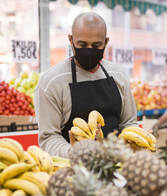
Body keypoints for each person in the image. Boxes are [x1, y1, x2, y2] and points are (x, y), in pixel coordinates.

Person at [35, 12, 137, 157]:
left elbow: (129, 123)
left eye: (96, 45)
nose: (89, 50)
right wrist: (75, 153)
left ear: (106, 42)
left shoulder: (119, 75)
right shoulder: (52, 82)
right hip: (73, 170)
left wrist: (133, 142)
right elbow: (49, 137)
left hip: (117, 163)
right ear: (71, 40)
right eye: (82, 44)